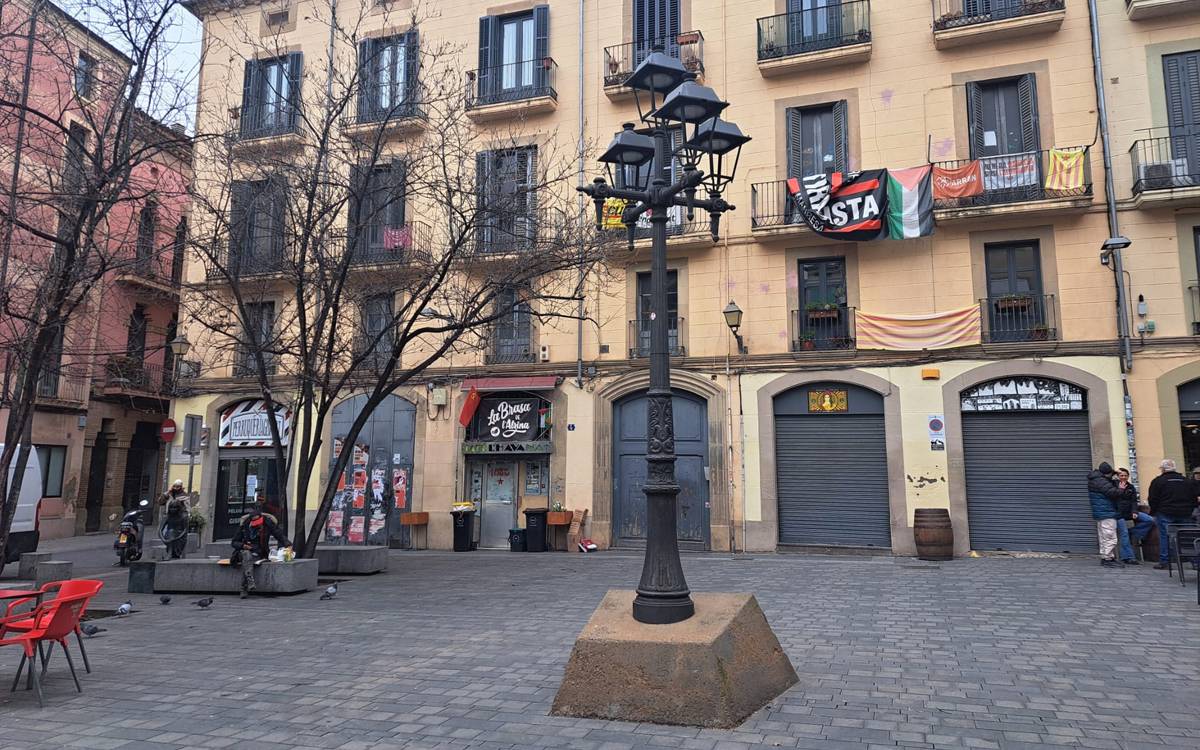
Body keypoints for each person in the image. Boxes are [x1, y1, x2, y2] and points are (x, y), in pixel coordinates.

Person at [1146, 458, 1200, 570]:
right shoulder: (1186, 481)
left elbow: (1153, 499)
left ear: (1163, 469)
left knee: (1164, 536)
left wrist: (1154, 511)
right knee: (1188, 537)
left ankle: (1164, 561)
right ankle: (1195, 561)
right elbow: (1194, 498)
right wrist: (1190, 509)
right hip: (1185, 513)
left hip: (1165, 512)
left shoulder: (1158, 481)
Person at [230, 501, 291, 598]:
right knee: (247, 555)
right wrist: (243, 545)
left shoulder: (267, 523)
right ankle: (249, 582)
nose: (256, 526)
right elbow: (234, 542)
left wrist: (287, 544)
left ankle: (244, 588)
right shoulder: (245, 526)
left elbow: (278, 534)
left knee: (247, 561)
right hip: (244, 552)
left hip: (260, 552)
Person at [1087, 461, 1125, 568]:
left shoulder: (1097, 479)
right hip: (1106, 512)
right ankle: (1108, 559)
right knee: (1110, 536)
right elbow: (1113, 493)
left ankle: (1106, 557)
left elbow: (1108, 482)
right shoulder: (1101, 482)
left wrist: (1114, 473)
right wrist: (1121, 489)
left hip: (1102, 512)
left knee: (1104, 536)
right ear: (1106, 473)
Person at [1114, 468, 1152, 565]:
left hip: (1130, 512)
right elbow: (1114, 498)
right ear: (1118, 476)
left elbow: (1134, 501)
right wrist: (1120, 489)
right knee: (1124, 533)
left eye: (1125, 475)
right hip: (1118, 514)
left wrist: (1134, 511)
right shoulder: (1114, 485)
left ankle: (1133, 532)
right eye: (1121, 475)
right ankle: (1128, 557)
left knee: (1149, 520)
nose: (1123, 477)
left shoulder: (1131, 487)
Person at [158, 479, 190, 560]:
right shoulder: (169, 494)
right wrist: (165, 495)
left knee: (173, 534)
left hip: (179, 517)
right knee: (169, 532)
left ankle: (172, 553)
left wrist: (185, 514)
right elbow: (160, 502)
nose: (176, 488)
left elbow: (187, 507)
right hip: (169, 516)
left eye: (178, 487)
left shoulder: (184, 495)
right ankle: (170, 552)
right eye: (174, 486)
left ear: (181, 487)